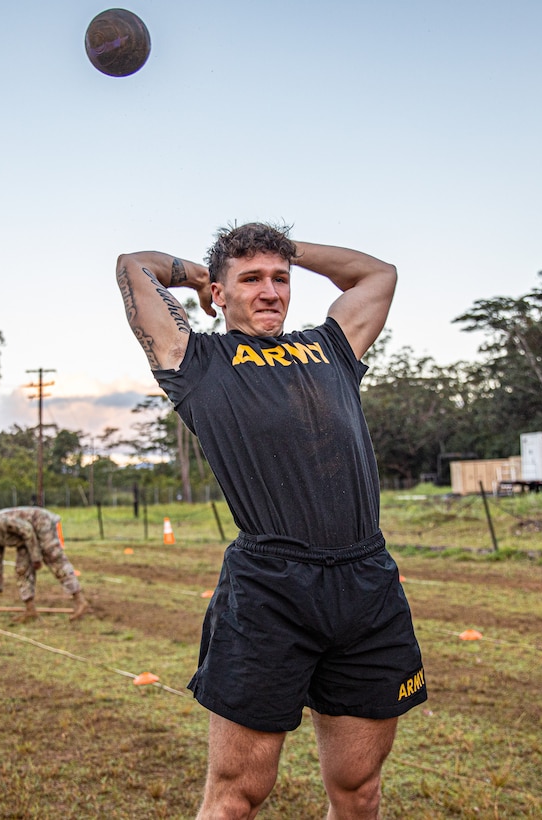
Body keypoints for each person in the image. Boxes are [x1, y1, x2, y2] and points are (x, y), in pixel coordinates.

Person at [116, 223, 426, 819]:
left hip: (366, 584)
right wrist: (201, 272)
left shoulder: (332, 347)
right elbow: (135, 264)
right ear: (220, 295)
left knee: (359, 790)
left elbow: (378, 274)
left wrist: (289, 253)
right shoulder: (199, 361)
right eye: (251, 279)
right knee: (236, 796)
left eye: (279, 279)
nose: (270, 291)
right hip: (269, 590)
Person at [0, 507, 90, 622]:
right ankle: (30, 610)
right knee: (22, 570)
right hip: (26, 539)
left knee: (54, 559)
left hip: (40, 523)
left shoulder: (0, 522)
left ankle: (80, 601)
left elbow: (27, 530)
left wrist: (36, 558)